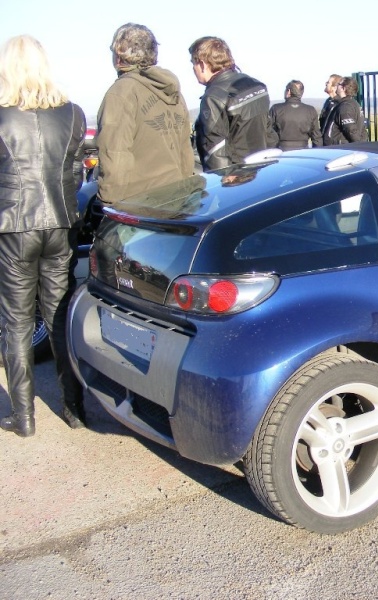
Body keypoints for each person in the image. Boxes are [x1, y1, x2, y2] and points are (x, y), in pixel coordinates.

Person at [0, 35, 87, 436]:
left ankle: (24, 417)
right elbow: (75, 172)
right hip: (60, 221)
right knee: (58, 316)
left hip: (14, 226)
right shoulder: (72, 113)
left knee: (16, 322)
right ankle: (74, 408)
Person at [96, 23, 195, 204]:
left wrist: (109, 205)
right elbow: (185, 151)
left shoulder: (121, 93)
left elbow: (115, 155)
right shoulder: (173, 92)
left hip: (139, 207)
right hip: (176, 199)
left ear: (119, 55)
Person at [189, 36, 279, 171]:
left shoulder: (214, 97)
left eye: (193, 63)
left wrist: (222, 184)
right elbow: (269, 134)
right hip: (263, 169)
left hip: (236, 177)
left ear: (202, 64)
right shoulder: (256, 85)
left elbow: (215, 151)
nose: (193, 69)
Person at [269, 80, 322, 150]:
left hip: (282, 150)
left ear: (289, 92)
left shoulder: (276, 109)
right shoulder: (310, 110)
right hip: (303, 151)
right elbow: (317, 137)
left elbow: (268, 133)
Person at [322, 76, 368, 145]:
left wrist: (360, 145)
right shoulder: (353, 104)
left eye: (339, 84)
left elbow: (351, 131)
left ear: (343, 88)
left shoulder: (345, 107)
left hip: (340, 149)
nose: (337, 86)